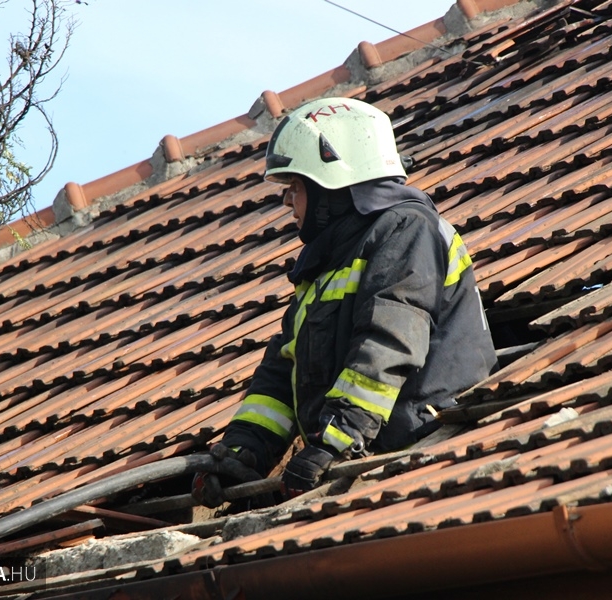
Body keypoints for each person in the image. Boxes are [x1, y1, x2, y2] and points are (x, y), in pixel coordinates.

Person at [192, 97, 498, 508]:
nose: (286, 202)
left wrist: (336, 441)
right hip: (371, 460)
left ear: (329, 186)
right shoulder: (328, 262)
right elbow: (283, 369)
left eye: (295, 187)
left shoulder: (406, 231)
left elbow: (388, 345)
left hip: (425, 457)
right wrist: (244, 449)